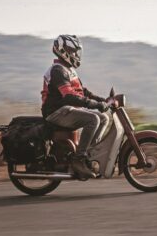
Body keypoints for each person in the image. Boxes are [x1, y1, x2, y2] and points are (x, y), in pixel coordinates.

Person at [41, 34, 110, 178]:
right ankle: (78, 159)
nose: (75, 54)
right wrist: (94, 105)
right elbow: (69, 96)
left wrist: (102, 100)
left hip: (67, 109)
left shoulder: (69, 70)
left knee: (103, 118)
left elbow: (82, 92)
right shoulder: (58, 70)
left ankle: (87, 155)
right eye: (71, 50)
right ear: (62, 50)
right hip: (56, 112)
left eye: (75, 51)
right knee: (93, 119)